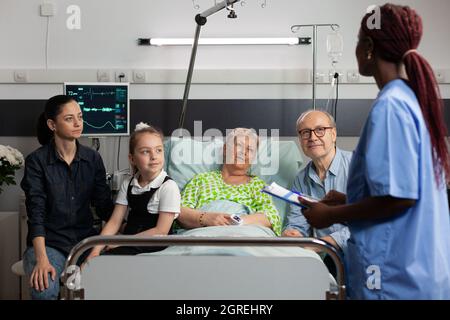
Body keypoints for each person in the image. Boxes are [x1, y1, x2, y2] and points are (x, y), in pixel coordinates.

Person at [299, 3, 450, 299]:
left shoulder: (390, 107)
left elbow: (399, 198)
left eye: (357, 41)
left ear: (368, 47)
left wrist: (332, 214)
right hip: (420, 271)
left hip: (393, 276)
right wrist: (348, 200)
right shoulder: (410, 100)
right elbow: (400, 191)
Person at [20, 95, 114, 300]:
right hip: (49, 244)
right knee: (44, 290)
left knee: (109, 287)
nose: (78, 123)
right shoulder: (37, 161)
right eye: (69, 118)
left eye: (80, 117)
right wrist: (42, 259)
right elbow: (36, 213)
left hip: (85, 242)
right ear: (52, 125)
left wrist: (126, 230)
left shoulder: (92, 159)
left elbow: (104, 205)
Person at [85, 123, 180, 258]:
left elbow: (161, 231)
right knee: (94, 259)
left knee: (108, 262)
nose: (154, 156)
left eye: (158, 150)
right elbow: (115, 221)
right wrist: (95, 250)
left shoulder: (168, 187)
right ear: (132, 159)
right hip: (130, 241)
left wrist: (123, 243)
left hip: (153, 245)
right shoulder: (128, 183)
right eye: (145, 151)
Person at [178, 128, 282, 235]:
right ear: (225, 149)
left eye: (250, 150)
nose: (243, 152)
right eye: (239, 146)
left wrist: (236, 221)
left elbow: (271, 217)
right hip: (203, 233)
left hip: (243, 234)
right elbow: (180, 211)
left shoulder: (258, 186)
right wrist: (205, 218)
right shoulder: (201, 180)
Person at [282, 110, 351, 255]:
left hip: (363, 257)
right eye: (305, 132)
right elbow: (297, 221)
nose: (312, 137)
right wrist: (293, 233)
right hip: (326, 259)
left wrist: (324, 243)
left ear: (333, 134)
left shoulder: (356, 167)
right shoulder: (301, 179)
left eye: (320, 130)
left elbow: (369, 220)